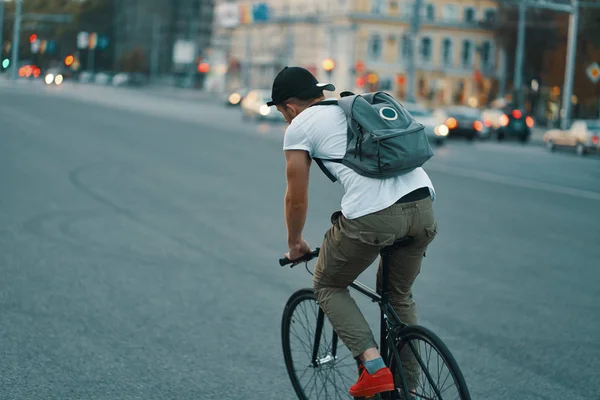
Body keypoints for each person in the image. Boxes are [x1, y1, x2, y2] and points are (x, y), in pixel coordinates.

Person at [269, 66, 438, 398]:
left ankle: (375, 370)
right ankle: (409, 388)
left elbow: (296, 198)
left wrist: (295, 244)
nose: (285, 120)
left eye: (281, 114)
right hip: (423, 207)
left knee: (328, 283)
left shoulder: (300, 127)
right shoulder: (351, 108)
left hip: (375, 215)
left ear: (289, 106)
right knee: (398, 295)